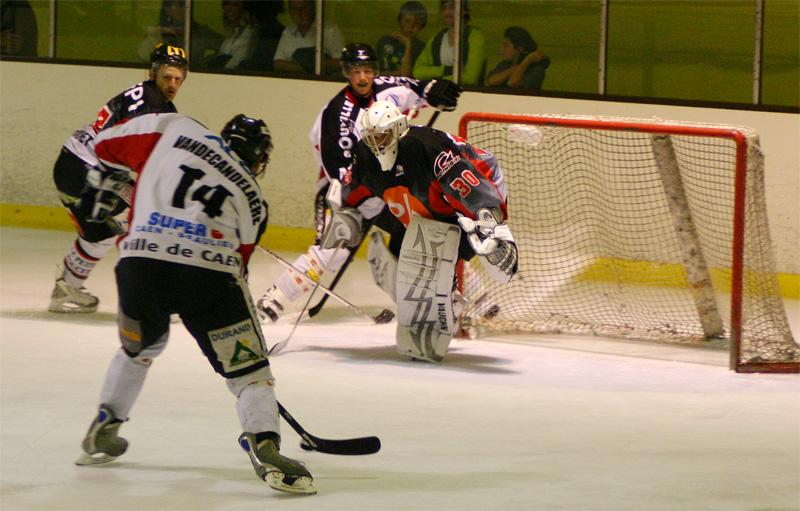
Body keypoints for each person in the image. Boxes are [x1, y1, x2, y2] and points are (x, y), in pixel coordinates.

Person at [73, 112, 316, 495]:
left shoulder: (174, 127)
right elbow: (239, 265)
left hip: (140, 266)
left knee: (142, 346)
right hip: (209, 273)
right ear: (259, 159)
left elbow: (104, 145)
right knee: (248, 371)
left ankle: (107, 420)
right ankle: (264, 440)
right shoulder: (253, 197)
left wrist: (107, 179)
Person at [255, 42, 462, 323]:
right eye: (356, 71)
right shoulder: (336, 116)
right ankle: (275, 299)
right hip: (346, 191)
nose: (363, 77)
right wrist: (361, 199)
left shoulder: (387, 87)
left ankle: (466, 294)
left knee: (435, 227)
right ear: (346, 73)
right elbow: (340, 173)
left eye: (367, 70)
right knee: (332, 253)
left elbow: (417, 89)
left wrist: (435, 91)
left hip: (389, 185)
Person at [331, 100, 518, 362]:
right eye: (371, 138)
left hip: (475, 184)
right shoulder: (367, 154)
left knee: (453, 241)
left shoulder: (430, 151)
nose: (376, 145)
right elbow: (355, 187)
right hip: (426, 200)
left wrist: (492, 229)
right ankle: (448, 300)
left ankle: (454, 297)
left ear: (397, 130)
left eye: (382, 136)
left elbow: (472, 191)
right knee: (401, 258)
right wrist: (346, 213)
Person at [48, 44, 188, 314]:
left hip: (74, 164)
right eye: (167, 77)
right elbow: (139, 154)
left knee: (99, 234)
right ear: (153, 73)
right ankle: (156, 298)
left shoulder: (151, 99)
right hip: (88, 170)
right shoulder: (153, 107)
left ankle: (66, 287)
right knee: (147, 225)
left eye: (178, 78)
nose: (172, 84)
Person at [413, 0, 486, 86]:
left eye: (452, 7)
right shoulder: (437, 38)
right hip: (441, 94)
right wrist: (444, 70)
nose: (447, 12)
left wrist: (439, 80)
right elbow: (418, 71)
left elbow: (470, 78)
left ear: (464, 10)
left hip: (469, 94)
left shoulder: (475, 36)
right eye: (444, 8)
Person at [136, 0, 223, 67]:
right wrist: (159, 32)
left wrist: (208, 62)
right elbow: (144, 55)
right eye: (181, 5)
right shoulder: (159, 32)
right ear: (167, 10)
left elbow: (225, 46)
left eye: (186, 5)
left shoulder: (200, 32)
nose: (185, 9)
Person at [272, 0, 343, 75]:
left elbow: (340, 62)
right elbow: (278, 64)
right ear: (289, 11)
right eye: (294, 9)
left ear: (313, 8)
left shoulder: (329, 30)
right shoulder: (288, 32)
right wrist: (306, 68)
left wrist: (316, 66)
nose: (299, 13)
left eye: (304, 8)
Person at [486, 26, 550, 91]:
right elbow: (492, 80)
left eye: (506, 45)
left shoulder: (536, 70)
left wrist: (527, 61)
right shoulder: (505, 64)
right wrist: (514, 68)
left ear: (520, 48)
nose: (501, 50)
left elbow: (513, 82)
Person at [376, 1, 427, 77]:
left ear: (422, 26)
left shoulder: (422, 49)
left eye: (416, 23)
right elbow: (373, 73)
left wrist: (408, 44)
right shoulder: (385, 42)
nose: (411, 26)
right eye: (407, 21)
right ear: (400, 21)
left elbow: (406, 75)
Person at [206, 0, 259, 70]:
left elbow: (238, 61)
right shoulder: (234, 32)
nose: (229, 8)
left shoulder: (251, 32)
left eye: (235, 5)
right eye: (226, 4)